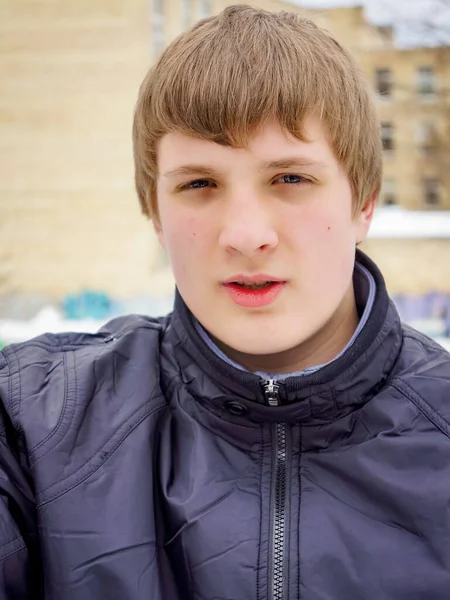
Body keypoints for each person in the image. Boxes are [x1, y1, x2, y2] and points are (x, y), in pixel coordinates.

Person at [1, 5, 450, 599]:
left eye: (290, 179)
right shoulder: (35, 424)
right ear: (156, 215)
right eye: (200, 184)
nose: (245, 234)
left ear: (363, 203)